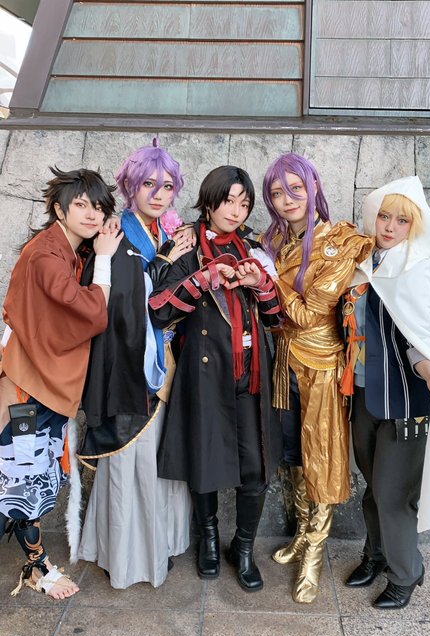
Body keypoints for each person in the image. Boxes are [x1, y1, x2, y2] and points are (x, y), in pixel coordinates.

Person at [149, 165, 282, 592]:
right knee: (205, 460)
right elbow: (159, 309)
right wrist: (204, 279)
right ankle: (208, 538)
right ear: (208, 202)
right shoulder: (186, 248)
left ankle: (243, 547)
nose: (236, 210)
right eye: (228, 201)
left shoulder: (255, 250)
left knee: (256, 467)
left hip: (251, 376)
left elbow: (278, 319)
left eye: (244, 203)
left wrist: (260, 283)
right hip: (205, 375)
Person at [0, 167, 121, 599]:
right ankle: (37, 568)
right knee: (23, 476)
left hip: (35, 382)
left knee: (25, 475)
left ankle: (36, 564)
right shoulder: (48, 256)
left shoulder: (61, 249)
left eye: (99, 207)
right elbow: (90, 313)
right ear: (58, 209)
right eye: (81, 205)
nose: (91, 215)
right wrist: (104, 257)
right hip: (28, 389)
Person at [78, 141, 193, 589]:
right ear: (130, 186)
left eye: (167, 186)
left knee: (159, 458)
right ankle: (128, 559)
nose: (159, 195)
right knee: (132, 460)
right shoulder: (117, 235)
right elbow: (121, 305)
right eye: (149, 184)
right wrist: (164, 264)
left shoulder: (166, 230)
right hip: (129, 365)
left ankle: (159, 544)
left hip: (165, 364)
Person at [261, 152, 373, 603]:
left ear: (313, 189)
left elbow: (308, 314)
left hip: (322, 367)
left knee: (320, 458)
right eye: (277, 193)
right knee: (292, 453)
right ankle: (301, 534)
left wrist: (266, 277)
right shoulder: (274, 241)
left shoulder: (338, 241)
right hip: (283, 361)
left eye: (295, 189)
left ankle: (315, 552)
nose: (287, 199)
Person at [342, 176, 430, 609]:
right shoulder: (363, 263)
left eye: (401, 220)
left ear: (414, 226)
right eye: (384, 216)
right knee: (373, 485)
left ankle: (406, 573)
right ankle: (375, 555)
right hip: (363, 394)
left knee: (394, 493)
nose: (389, 226)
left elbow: (417, 338)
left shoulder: (411, 269)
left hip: (405, 398)